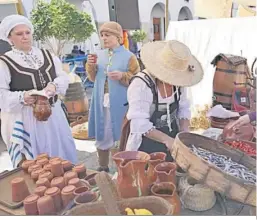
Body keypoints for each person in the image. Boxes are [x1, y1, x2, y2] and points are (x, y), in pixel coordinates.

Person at [0, 15, 77, 167]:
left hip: (53, 114)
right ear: (10, 38)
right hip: (26, 118)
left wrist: (54, 86)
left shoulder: (47, 55)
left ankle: (68, 185)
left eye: (27, 33)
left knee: (61, 152)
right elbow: (2, 95)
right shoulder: (5, 62)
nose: (25, 37)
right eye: (19, 34)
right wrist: (23, 96)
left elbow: (62, 76)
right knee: (37, 161)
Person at [120, 40, 204, 161]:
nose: (175, 81)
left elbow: (184, 108)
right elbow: (139, 124)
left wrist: (184, 133)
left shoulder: (180, 83)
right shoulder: (141, 85)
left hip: (172, 141)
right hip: (145, 146)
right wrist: (167, 140)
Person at [86, 21, 140, 172]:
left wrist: (123, 75)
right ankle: (103, 166)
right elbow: (92, 78)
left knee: (121, 134)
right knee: (103, 132)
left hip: (121, 102)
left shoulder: (130, 57)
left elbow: (137, 79)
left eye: (107, 35)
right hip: (100, 102)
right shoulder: (98, 55)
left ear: (117, 37)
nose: (104, 38)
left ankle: (123, 169)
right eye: (102, 35)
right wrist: (90, 66)